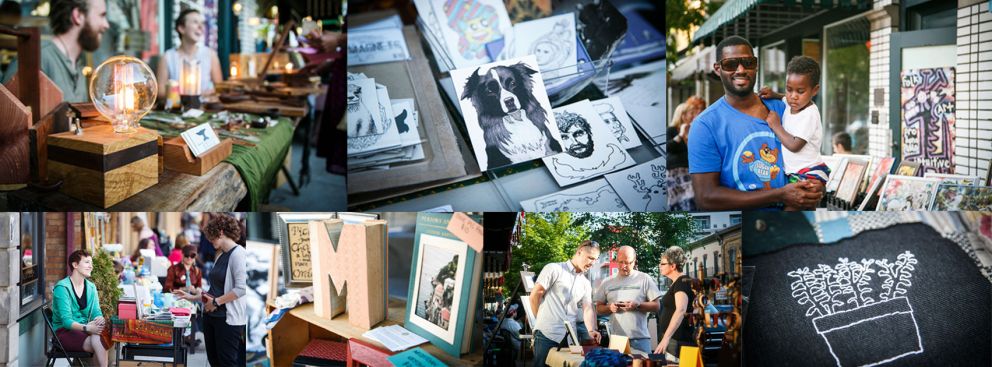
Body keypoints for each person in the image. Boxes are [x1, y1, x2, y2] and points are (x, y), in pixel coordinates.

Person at [688, 35, 824, 210]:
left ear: (757, 65)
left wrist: (816, 187)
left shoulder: (784, 109)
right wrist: (780, 194)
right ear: (717, 68)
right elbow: (706, 198)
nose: (741, 70)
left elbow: (809, 157)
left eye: (748, 62)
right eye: (730, 64)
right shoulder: (705, 125)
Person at [758, 56, 830, 210]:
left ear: (815, 90)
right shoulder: (791, 103)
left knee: (792, 210)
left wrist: (776, 126)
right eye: (789, 89)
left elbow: (795, 145)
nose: (793, 96)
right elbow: (784, 98)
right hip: (797, 172)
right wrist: (774, 94)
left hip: (808, 173)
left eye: (800, 91)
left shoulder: (809, 114)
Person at [174, 214, 247, 366]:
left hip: (227, 320)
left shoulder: (238, 254)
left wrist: (216, 302)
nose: (209, 240)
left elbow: (241, 288)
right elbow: (214, 290)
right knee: (214, 362)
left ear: (220, 232)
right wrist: (191, 297)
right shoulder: (221, 255)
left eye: (211, 237)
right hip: (212, 318)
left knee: (226, 362)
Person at [1, 0, 109, 101]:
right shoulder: (35, 59)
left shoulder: (78, 64)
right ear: (78, 16)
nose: (106, 25)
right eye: (102, 15)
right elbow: (7, 113)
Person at [530, 240, 603, 367]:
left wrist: (591, 329)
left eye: (595, 259)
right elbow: (535, 294)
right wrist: (540, 319)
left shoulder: (585, 283)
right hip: (547, 335)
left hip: (570, 339)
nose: (593, 263)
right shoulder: (554, 268)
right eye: (590, 258)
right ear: (579, 252)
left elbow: (588, 308)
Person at [594, 246, 661, 353]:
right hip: (617, 340)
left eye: (628, 262)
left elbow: (657, 306)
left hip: (640, 339)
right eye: (621, 262)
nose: (624, 266)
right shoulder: (607, 282)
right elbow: (598, 309)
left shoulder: (644, 278)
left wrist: (638, 305)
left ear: (634, 261)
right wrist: (610, 307)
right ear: (616, 260)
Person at [52, 250, 108, 367]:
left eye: (91, 263)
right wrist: (88, 328)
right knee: (101, 342)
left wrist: (99, 318)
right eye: (87, 262)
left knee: (100, 336)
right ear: (75, 265)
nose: (91, 266)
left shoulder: (91, 287)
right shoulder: (62, 288)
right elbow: (66, 322)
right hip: (65, 332)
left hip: (85, 330)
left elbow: (96, 311)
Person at [156, 8, 222, 99]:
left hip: (204, 110)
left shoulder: (210, 55)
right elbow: (160, 92)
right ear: (182, 28)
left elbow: (219, 89)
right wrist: (187, 95)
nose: (201, 27)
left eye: (202, 23)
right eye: (195, 22)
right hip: (176, 111)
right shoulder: (167, 57)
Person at [654, 246, 695, 358]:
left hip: (677, 340)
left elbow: (681, 310)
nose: (660, 266)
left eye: (663, 264)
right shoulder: (677, 282)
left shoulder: (682, 281)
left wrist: (666, 338)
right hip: (673, 340)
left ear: (673, 266)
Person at [667, 96, 706, 211]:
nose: (694, 115)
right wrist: (680, 135)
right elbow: (668, 147)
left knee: (691, 198)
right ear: (683, 115)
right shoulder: (672, 130)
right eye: (691, 113)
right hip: (674, 171)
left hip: (690, 170)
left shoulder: (694, 130)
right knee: (675, 201)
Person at [165, 245, 203, 352]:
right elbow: (167, 288)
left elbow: (199, 287)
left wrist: (197, 290)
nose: (189, 259)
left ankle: (190, 335)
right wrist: (183, 288)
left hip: (192, 299)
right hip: (177, 298)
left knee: (200, 309)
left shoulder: (197, 271)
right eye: (187, 256)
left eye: (192, 256)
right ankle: (186, 337)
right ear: (182, 256)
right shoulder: (173, 269)